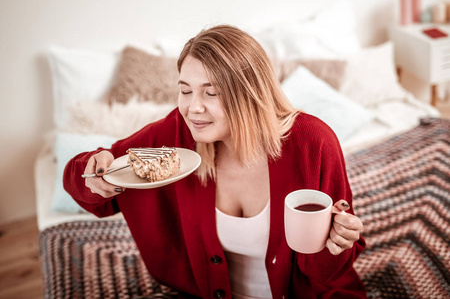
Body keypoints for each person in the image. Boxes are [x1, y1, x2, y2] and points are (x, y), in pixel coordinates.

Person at [64, 25, 366, 299]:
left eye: (211, 93)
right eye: (185, 90)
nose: (193, 107)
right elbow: (94, 193)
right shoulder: (176, 135)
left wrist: (337, 245)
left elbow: (326, 272)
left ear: (250, 93)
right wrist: (92, 170)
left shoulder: (312, 143)